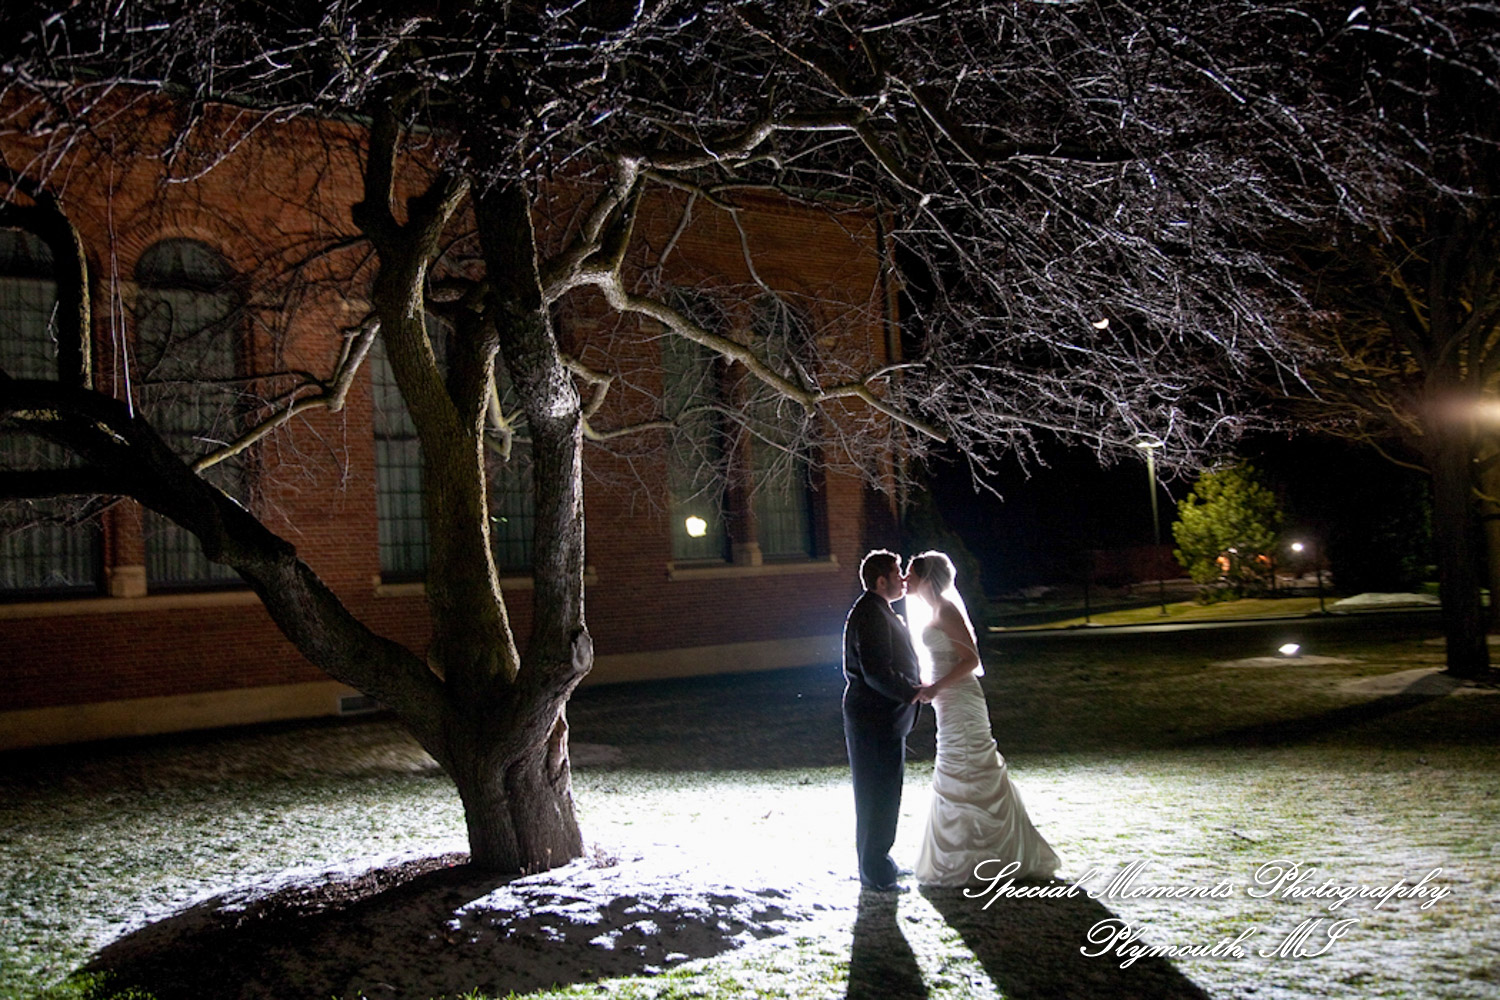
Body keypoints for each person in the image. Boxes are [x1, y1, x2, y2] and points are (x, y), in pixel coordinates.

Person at [905, 550, 1060, 886]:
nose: (906, 579)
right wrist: (929, 689)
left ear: (926, 578)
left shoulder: (946, 610)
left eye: (910, 574)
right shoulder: (932, 611)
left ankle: (982, 855)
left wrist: (937, 687)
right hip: (947, 702)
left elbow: (971, 659)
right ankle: (974, 850)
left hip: (961, 699)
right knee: (957, 767)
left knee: (968, 766)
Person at [841, 549, 923, 891]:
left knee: (879, 793)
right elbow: (877, 671)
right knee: (880, 794)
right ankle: (876, 871)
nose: (903, 579)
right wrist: (913, 691)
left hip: (878, 717)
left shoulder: (875, 610)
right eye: (897, 572)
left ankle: (876, 864)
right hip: (876, 717)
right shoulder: (871, 614)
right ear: (880, 581)